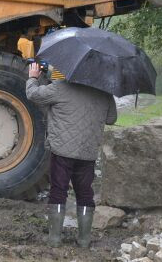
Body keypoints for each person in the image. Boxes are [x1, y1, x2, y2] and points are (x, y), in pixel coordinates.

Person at [25, 62, 117, 247]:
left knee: (58, 190)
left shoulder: (60, 88)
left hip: (62, 151)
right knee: (85, 192)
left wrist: (33, 77)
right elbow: (111, 118)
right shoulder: (103, 93)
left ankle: (54, 239)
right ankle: (84, 240)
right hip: (88, 152)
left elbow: (33, 95)